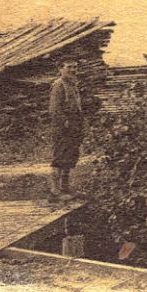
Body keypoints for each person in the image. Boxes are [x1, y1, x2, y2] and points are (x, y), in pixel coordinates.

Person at [48, 61, 84, 200]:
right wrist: (65, 122)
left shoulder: (73, 85)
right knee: (59, 157)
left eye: (75, 67)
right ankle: (54, 191)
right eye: (69, 67)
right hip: (63, 127)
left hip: (74, 125)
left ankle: (65, 187)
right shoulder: (58, 85)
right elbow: (54, 109)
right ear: (60, 69)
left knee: (70, 156)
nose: (73, 70)